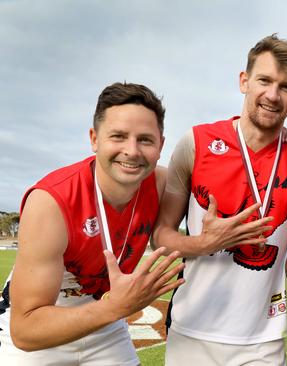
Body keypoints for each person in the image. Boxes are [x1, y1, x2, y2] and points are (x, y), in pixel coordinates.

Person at [151, 34, 287, 366]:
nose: (272, 95)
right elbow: (161, 234)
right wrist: (204, 242)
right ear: (244, 81)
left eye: (285, 87)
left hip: (263, 340)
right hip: (192, 331)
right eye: (264, 81)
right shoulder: (196, 143)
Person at [0, 82, 185, 365]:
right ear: (94, 139)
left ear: (160, 144)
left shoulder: (162, 183)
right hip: (43, 321)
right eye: (118, 136)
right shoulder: (50, 201)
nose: (132, 151)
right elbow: (25, 331)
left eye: (145, 139)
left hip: (105, 322)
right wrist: (115, 307)